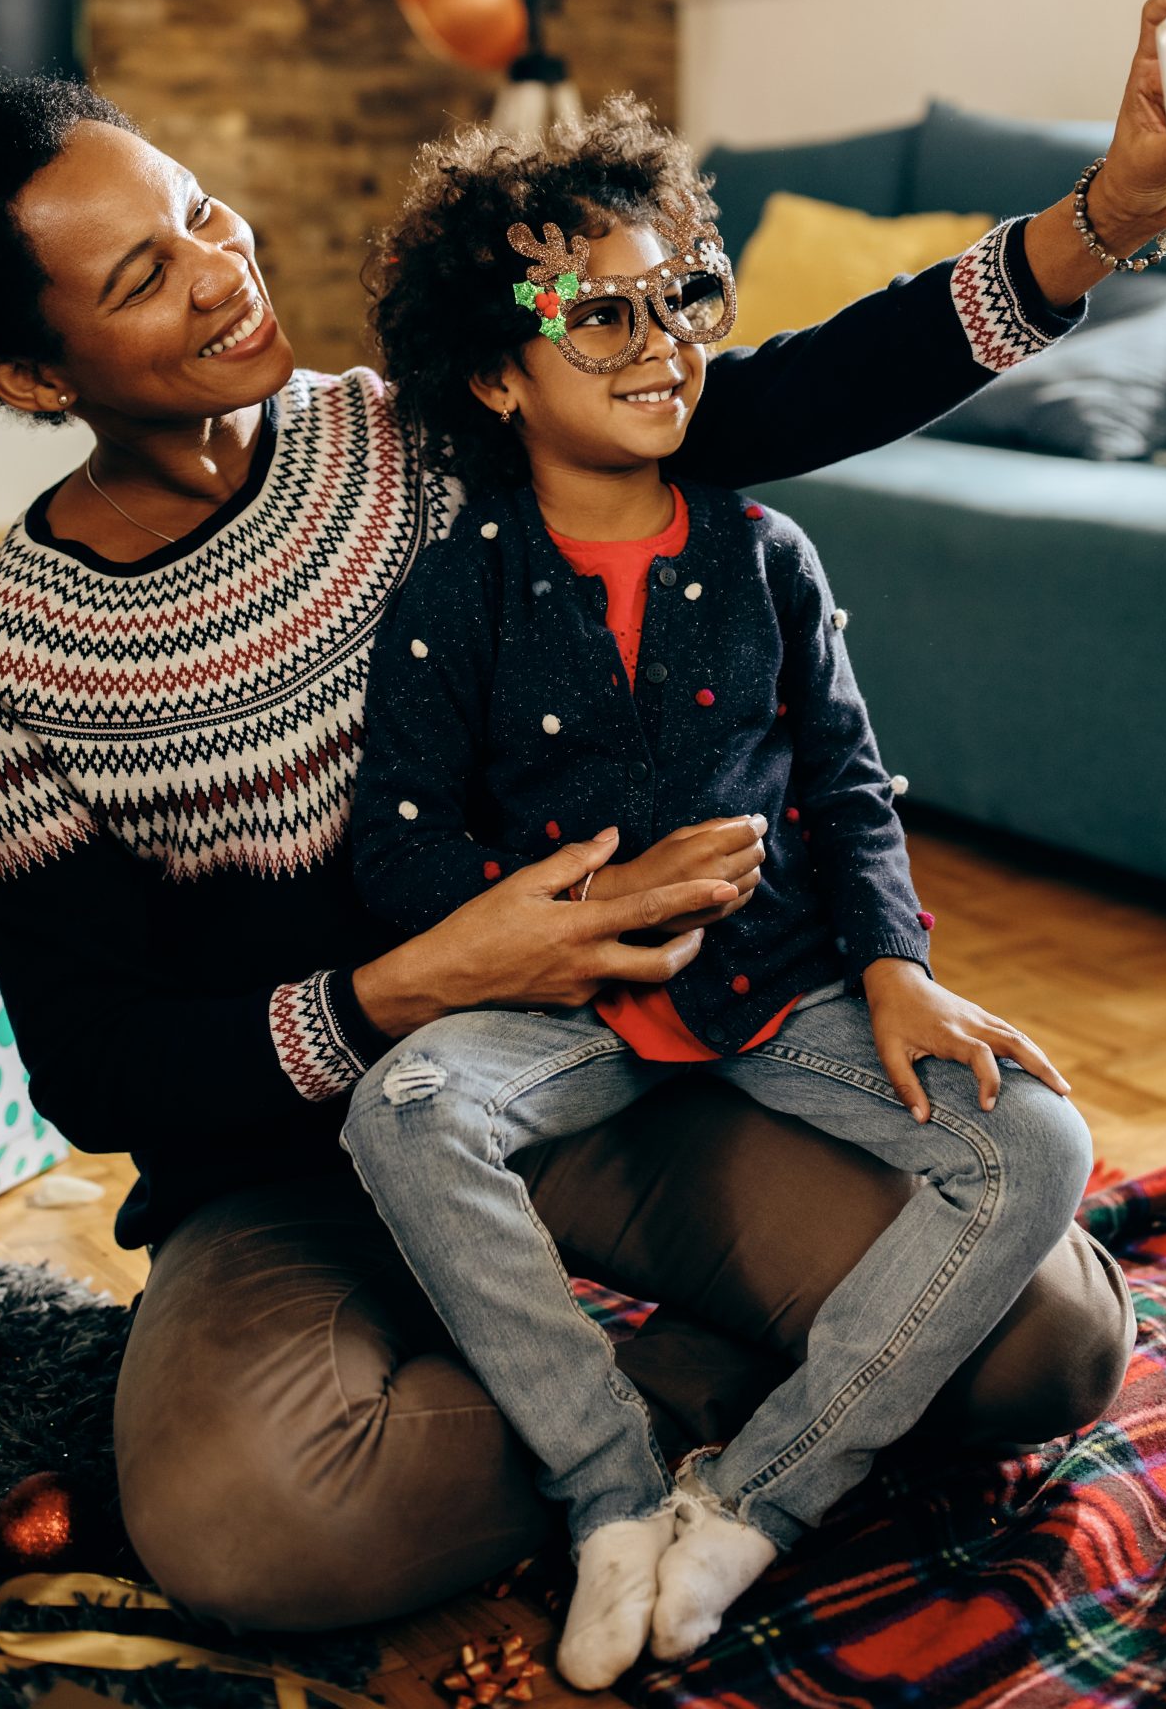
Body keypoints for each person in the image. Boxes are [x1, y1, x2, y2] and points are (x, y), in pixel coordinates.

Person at [0, 0, 1166, 1632]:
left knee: (1048, 1342)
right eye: (144, 276)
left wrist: (1096, 228)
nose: (222, 268)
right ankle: (711, 1397)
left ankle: (706, 1410)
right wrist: (410, 986)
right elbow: (93, 1064)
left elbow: (766, 397)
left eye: (200, 210)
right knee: (253, 1529)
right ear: (22, 366)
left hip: (616, 1078)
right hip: (298, 1174)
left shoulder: (425, 440)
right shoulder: (17, 665)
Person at [342, 101, 1097, 1687]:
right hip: (565, 1019)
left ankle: (757, 1497)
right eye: (597, 312)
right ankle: (608, 1492)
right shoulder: (453, 587)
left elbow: (848, 782)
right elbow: (401, 850)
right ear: (495, 372)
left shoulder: (770, 554)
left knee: (1036, 1140)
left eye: (682, 290)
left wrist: (895, 964)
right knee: (401, 1114)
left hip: (784, 987)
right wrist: (587, 909)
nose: (658, 339)